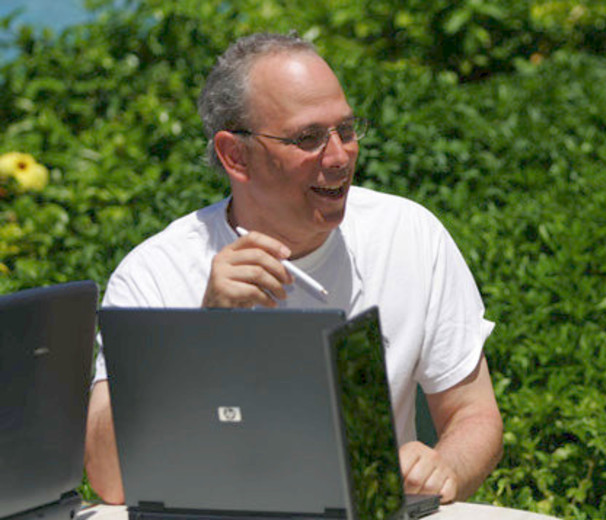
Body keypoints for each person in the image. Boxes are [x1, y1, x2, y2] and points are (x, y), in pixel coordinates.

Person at [84, 32, 503, 505]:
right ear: (235, 155)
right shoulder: (156, 274)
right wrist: (202, 332)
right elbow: (108, 476)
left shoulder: (408, 234)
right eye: (308, 138)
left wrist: (444, 467)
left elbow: (474, 416)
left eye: (346, 130)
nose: (340, 156)